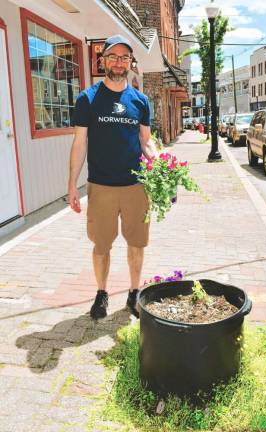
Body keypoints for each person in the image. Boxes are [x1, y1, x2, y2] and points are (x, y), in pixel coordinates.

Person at [68, 34, 157, 319]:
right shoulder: (88, 99)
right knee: (101, 244)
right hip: (101, 186)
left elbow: (146, 141)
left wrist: (157, 159)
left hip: (135, 186)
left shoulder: (141, 101)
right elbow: (79, 143)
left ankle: (134, 293)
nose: (119, 62)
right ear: (103, 61)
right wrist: (72, 184)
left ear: (130, 62)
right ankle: (102, 293)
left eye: (124, 57)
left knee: (136, 243)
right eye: (113, 57)